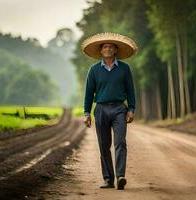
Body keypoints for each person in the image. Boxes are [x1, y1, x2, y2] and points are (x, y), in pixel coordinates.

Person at [81, 32, 137, 190]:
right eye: (105, 47)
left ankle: (120, 176)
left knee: (120, 142)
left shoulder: (125, 69)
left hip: (120, 108)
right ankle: (108, 179)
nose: (107, 49)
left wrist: (131, 109)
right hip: (101, 109)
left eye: (111, 47)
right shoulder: (93, 70)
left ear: (115, 50)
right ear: (101, 51)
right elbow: (88, 93)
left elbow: (130, 90)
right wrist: (86, 113)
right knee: (103, 145)